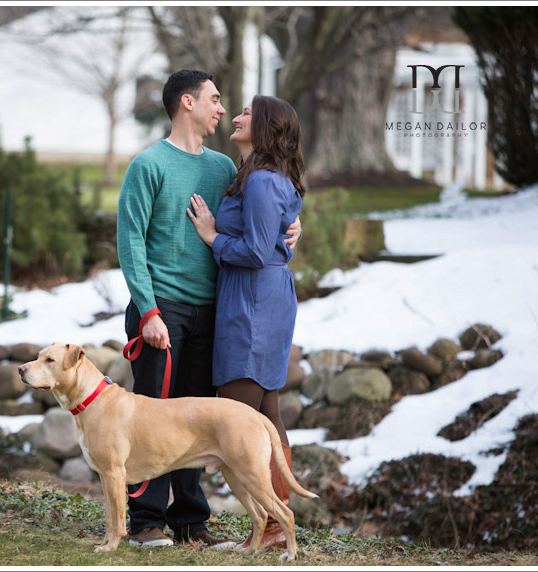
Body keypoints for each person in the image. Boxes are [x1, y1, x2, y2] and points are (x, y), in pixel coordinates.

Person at [117, 71, 301, 549]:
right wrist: (149, 310)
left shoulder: (225, 167)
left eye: (227, 105)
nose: (223, 109)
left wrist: (293, 223)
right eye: (215, 100)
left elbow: (264, 210)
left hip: (216, 313)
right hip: (163, 312)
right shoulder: (148, 164)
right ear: (186, 103)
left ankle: (191, 522)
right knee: (153, 419)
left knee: (198, 424)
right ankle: (146, 522)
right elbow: (130, 241)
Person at [186, 95, 307, 550]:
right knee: (265, 415)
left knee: (236, 418)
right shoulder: (258, 178)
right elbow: (275, 235)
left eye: (245, 114)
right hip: (259, 299)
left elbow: (257, 251)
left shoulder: (261, 181)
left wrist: (212, 236)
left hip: (254, 304)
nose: (235, 118)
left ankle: (273, 528)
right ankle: (274, 530)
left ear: (265, 128)